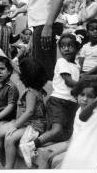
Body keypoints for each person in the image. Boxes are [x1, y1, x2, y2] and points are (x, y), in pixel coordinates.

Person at [20, 33, 81, 167]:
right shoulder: (61, 62)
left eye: (70, 46)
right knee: (57, 130)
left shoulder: (76, 66)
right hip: (58, 101)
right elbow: (69, 81)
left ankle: (38, 142)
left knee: (66, 134)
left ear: (77, 48)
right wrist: (85, 83)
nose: (66, 49)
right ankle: (30, 146)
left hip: (71, 104)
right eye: (63, 46)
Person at [11, 0, 65, 81]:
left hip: (46, 24)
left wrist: (48, 25)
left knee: (44, 70)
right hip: (41, 24)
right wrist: (19, 10)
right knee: (39, 68)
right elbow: (42, 0)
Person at [61, 82, 97, 168]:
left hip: (85, 153)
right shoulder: (78, 110)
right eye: (82, 95)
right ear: (77, 95)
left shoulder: (94, 115)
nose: (85, 99)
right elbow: (73, 138)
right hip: (74, 147)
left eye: (90, 97)